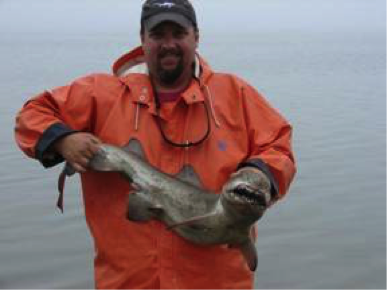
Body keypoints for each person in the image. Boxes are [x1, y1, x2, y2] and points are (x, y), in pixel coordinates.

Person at [14, 0, 296, 289]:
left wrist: (259, 176)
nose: (168, 44)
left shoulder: (235, 95)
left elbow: (279, 147)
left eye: (179, 33)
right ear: (142, 39)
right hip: (127, 282)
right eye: (158, 34)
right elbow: (32, 114)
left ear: (196, 36)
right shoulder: (101, 95)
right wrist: (63, 140)